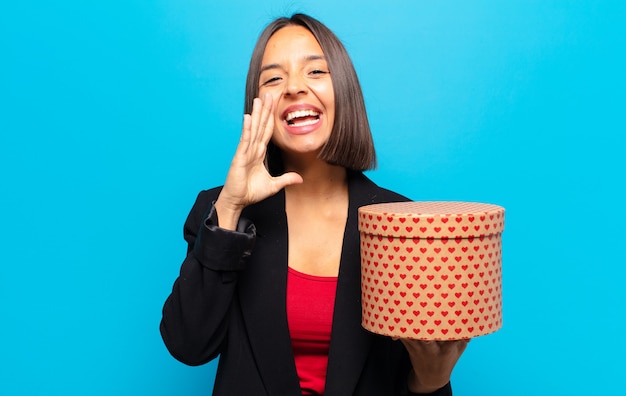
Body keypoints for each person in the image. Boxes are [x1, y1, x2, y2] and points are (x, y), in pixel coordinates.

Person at [160, 13, 468, 396]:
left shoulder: (401, 224)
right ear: (258, 106)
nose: (293, 87)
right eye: (273, 78)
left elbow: (416, 375)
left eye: (315, 72)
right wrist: (231, 205)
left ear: (344, 89)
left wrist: (432, 380)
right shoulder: (221, 210)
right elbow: (187, 345)